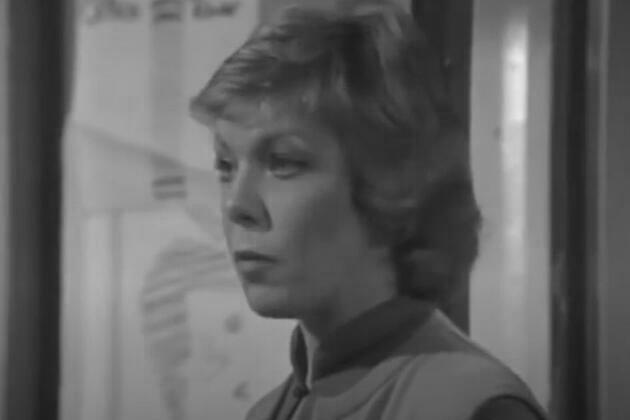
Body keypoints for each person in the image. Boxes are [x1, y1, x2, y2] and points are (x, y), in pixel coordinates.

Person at [189, 3, 549, 419]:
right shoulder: (269, 412)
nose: (237, 205)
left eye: (283, 162)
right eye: (225, 166)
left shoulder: (470, 406)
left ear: (388, 183)